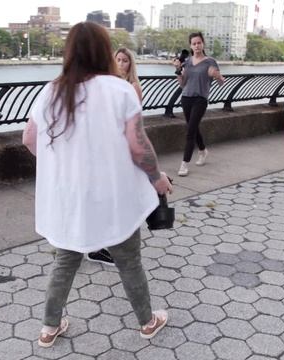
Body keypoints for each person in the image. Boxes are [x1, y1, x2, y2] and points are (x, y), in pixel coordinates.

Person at [22, 21, 173, 348]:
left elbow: (30, 139)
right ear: (104, 51)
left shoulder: (51, 90)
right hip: (112, 195)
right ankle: (147, 321)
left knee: (66, 260)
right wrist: (157, 178)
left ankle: (49, 327)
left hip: (70, 197)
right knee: (129, 259)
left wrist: (62, 164)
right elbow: (138, 147)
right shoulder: (119, 89)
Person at [86, 47, 144, 267]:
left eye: (125, 60)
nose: (120, 63)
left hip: (120, 148)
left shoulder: (131, 87)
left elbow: (133, 123)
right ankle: (97, 245)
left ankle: (104, 243)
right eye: (117, 59)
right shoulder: (106, 84)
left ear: (131, 64)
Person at [173, 31, 225, 177]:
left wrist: (217, 76)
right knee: (193, 128)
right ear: (190, 45)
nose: (196, 46)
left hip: (200, 99)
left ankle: (184, 164)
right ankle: (202, 151)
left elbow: (221, 83)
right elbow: (182, 84)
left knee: (190, 131)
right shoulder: (187, 62)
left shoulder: (210, 62)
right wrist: (178, 71)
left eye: (199, 43)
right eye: (194, 43)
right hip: (186, 98)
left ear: (203, 44)